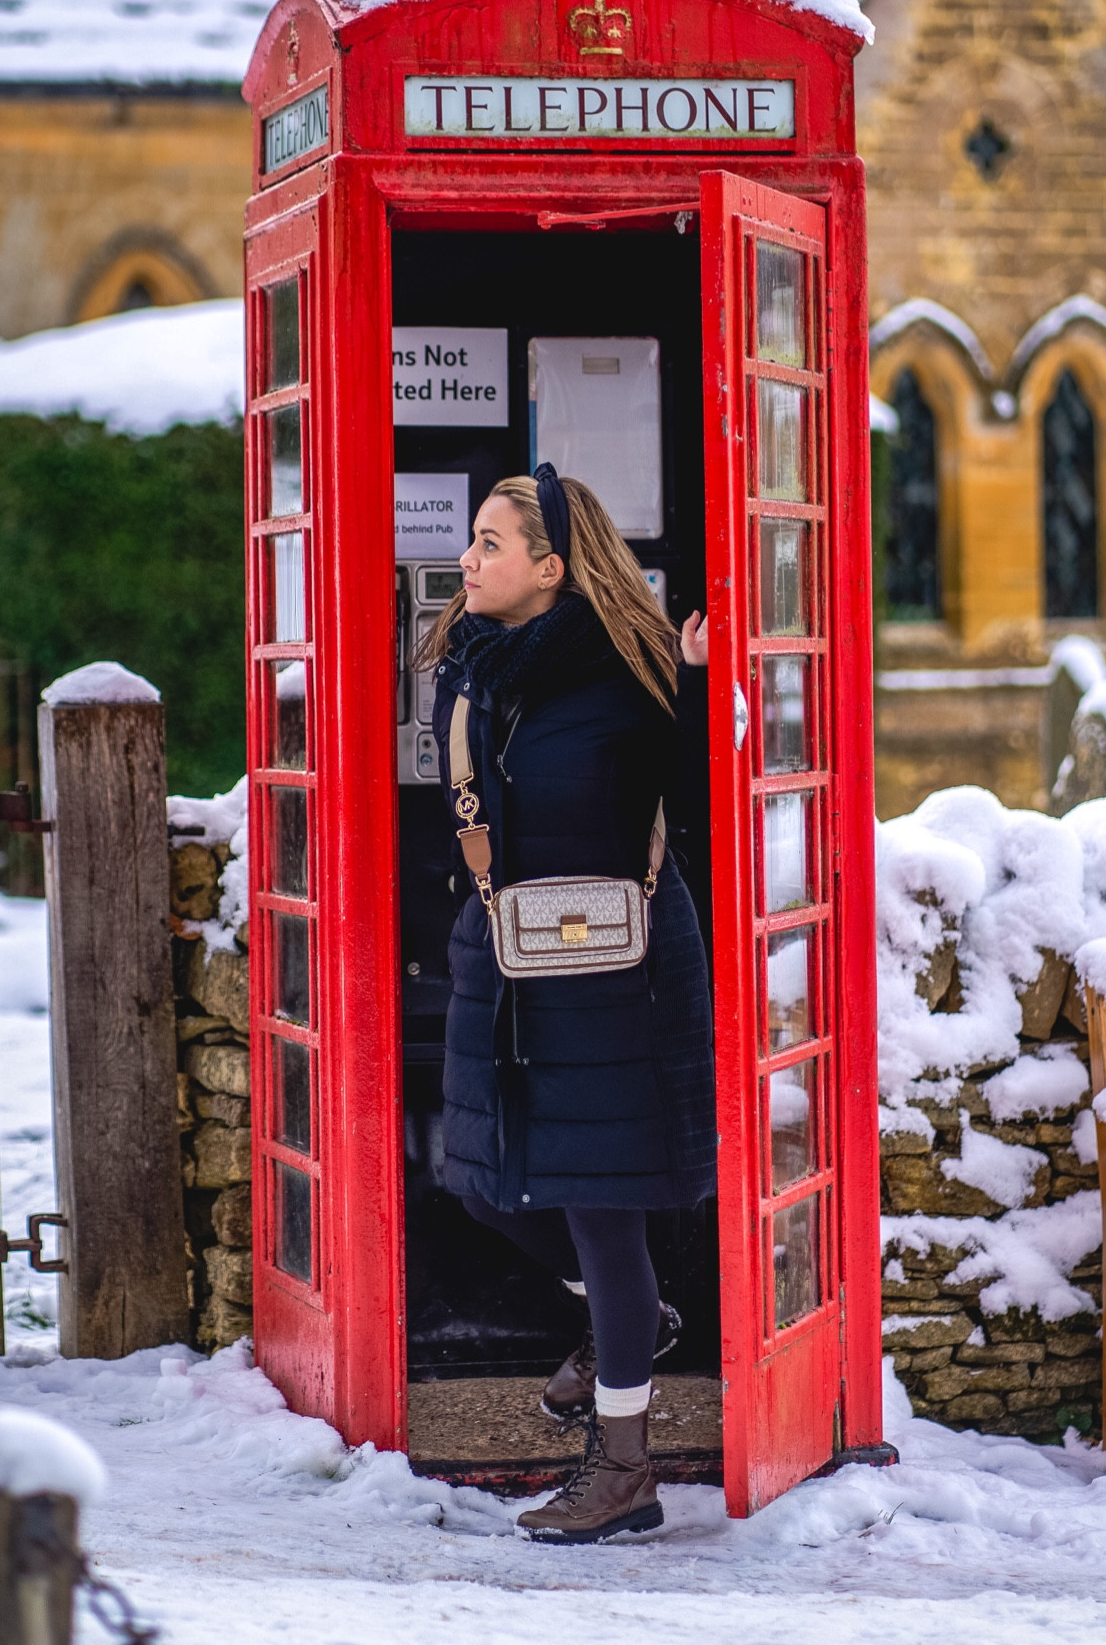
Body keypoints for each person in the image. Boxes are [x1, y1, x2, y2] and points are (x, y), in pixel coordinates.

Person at [415, 464, 715, 1545]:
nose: (467, 559)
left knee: (602, 1211)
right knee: (480, 1184)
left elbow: (702, 809)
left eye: (491, 543)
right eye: (473, 539)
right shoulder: (468, 672)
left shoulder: (630, 672)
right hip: (503, 961)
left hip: (616, 972)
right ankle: (625, 1313)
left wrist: (697, 689)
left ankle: (625, 1468)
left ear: (550, 567)